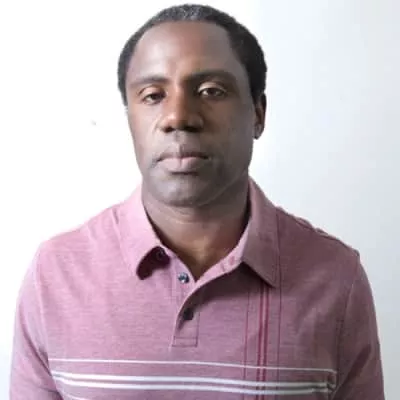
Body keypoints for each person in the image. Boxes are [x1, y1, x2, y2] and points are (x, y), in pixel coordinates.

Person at [10, 3, 384, 399]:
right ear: (129, 118)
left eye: (211, 91)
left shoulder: (335, 278)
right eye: (152, 95)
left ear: (258, 113)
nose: (178, 116)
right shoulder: (56, 273)